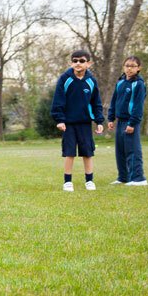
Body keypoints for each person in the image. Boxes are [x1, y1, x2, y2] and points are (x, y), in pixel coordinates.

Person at [51, 50, 105, 191]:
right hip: (68, 123)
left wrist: (99, 121)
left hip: (85, 123)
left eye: (81, 61)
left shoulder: (91, 81)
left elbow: (96, 103)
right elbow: (58, 101)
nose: (78, 63)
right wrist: (60, 119)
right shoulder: (65, 79)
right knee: (69, 152)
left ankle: (89, 180)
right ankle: (68, 182)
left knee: (87, 152)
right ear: (71, 63)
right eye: (75, 61)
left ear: (88, 63)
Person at [107, 56, 148, 186]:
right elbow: (114, 101)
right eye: (127, 66)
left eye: (133, 66)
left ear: (138, 68)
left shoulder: (139, 84)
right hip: (120, 121)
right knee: (120, 151)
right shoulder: (120, 82)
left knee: (133, 150)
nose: (129, 68)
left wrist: (132, 123)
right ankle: (123, 177)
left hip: (131, 122)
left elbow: (138, 106)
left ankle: (138, 179)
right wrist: (111, 118)